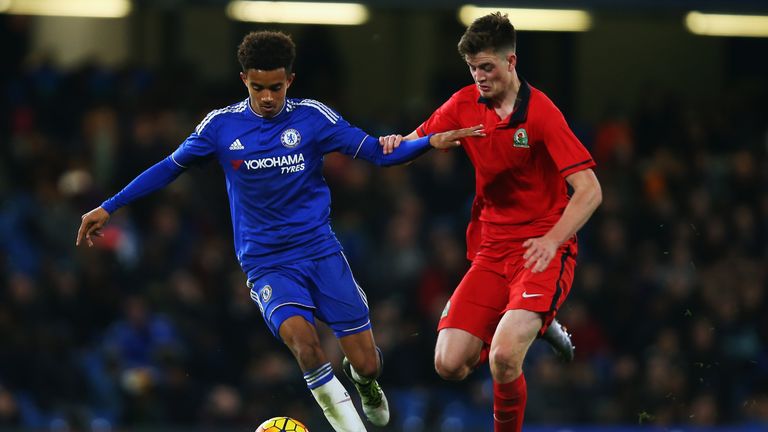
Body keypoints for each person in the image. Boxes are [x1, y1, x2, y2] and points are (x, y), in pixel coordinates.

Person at [76, 30, 483, 432]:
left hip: (320, 252)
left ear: (289, 80)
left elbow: (377, 153)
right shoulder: (220, 126)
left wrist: (429, 141)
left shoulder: (313, 118)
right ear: (244, 82)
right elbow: (168, 167)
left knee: (367, 362)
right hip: (267, 262)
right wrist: (109, 206)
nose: (267, 97)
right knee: (304, 344)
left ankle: (363, 382)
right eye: (257, 88)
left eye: (275, 87)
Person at [389, 12, 602, 431]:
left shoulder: (541, 114)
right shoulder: (465, 104)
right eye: (472, 69)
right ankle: (532, 322)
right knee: (448, 363)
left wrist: (552, 239)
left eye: (486, 67)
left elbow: (590, 189)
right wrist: (396, 144)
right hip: (490, 251)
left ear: (511, 62)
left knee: (505, 356)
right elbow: (413, 143)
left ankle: (524, 328)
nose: (479, 77)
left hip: (542, 251)